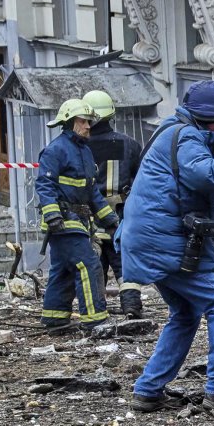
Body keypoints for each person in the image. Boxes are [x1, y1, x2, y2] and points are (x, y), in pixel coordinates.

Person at [121, 81, 214, 413]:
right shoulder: (185, 136)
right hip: (161, 242)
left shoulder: (178, 131)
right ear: (211, 120)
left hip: (152, 239)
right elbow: (208, 176)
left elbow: (198, 174)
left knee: (185, 312)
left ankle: (148, 391)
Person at [36, 98, 119, 332]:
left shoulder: (84, 151)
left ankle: (55, 318)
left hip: (80, 221)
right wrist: (53, 216)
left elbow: (92, 191)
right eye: (83, 121)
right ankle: (96, 319)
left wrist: (110, 220)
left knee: (63, 269)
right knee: (88, 264)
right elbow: (44, 185)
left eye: (89, 122)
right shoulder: (56, 150)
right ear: (70, 122)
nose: (88, 126)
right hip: (63, 221)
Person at [83, 90, 145, 318]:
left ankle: (97, 310)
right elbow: (141, 183)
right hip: (121, 218)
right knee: (125, 265)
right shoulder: (129, 145)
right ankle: (131, 307)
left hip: (91, 219)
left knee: (95, 266)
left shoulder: (81, 147)